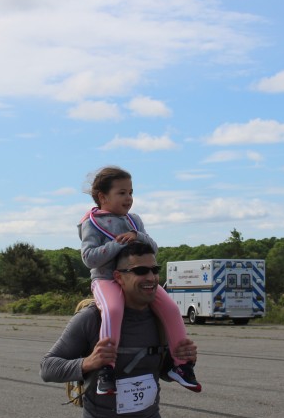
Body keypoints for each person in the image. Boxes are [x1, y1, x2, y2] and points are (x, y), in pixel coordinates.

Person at [41, 242, 199, 418]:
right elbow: (48, 367)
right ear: (118, 277)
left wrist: (182, 360)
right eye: (140, 271)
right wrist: (88, 363)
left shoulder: (161, 318)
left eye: (154, 270)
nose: (151, 277)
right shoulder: (92, 319)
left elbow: (162, 370)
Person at [79, 166, 199, 396]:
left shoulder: (134, 221)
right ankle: (106, 369)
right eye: (122, 193)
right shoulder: (91, 222)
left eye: (131, 192)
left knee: (172, 308)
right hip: (107, 279)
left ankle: (181, 365)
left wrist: (138, 236)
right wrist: (118, 244)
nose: (129, 198)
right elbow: (89, 259)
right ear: (103, 197)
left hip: (137, 278)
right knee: (113, 310)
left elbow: (153, 248)